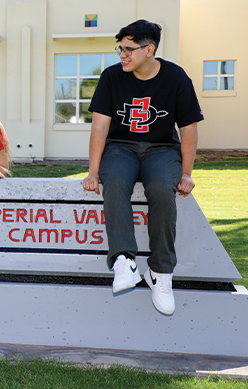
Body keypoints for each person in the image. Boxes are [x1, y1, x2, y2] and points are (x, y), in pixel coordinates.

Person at [82, 20, 203, 315]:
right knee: (116, 181)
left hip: (161, 149)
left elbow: (188, 129)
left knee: (162, 188)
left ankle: (161, 273)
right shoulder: (111, 77)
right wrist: (93, 171)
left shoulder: (176, 78)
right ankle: (124, 261)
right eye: (120, 48)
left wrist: (186, 173)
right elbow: (99, 128)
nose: (122, 54)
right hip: (120, 147)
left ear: (149, 50)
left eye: (128, 49)